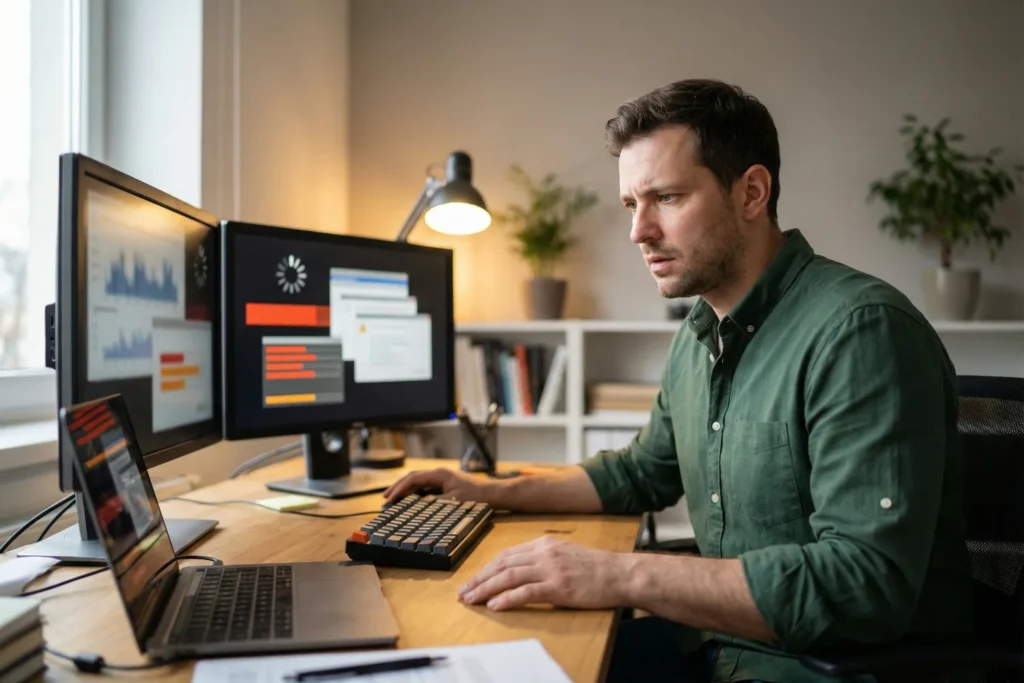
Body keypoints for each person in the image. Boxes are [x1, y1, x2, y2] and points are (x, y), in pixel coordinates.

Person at [384, 79, 974, 682]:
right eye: (631, 206)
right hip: (717, 645)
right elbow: (642, 472)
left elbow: (864, 585)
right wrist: (487, 492)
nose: (639, 232)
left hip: (828, 668)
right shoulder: (699, 336)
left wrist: (619, 575)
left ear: (751, 192)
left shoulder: (860, 332)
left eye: (666, 198)